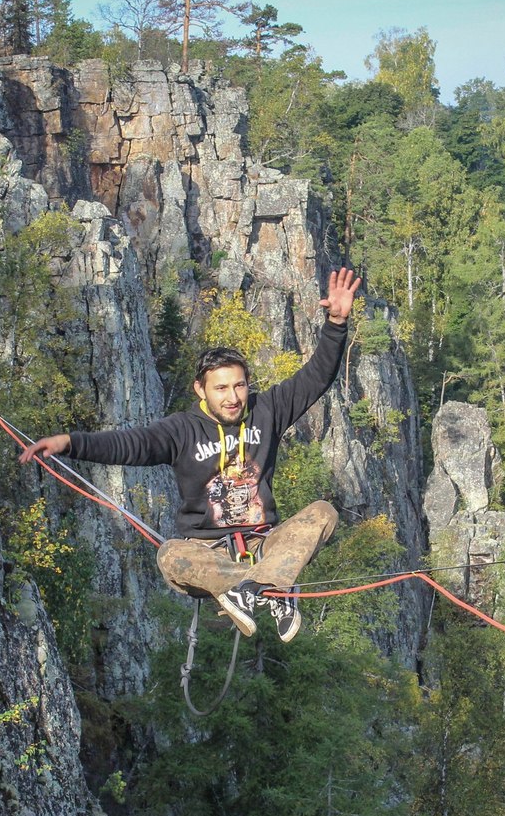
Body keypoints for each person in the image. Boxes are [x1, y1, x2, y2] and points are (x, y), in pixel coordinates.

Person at [18, 268, 363, 642]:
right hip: (210, 554)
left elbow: (316, 376)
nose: (232, 397)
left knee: (323, 513)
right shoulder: (180, 430)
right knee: (170, 556)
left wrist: (336, 322)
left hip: (266, 544)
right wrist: (69, 442)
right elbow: (128, 445)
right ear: (201, 390)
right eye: (221, 388)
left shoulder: (269, 410)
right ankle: (248, 588)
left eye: (239, 386)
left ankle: (272, 587)